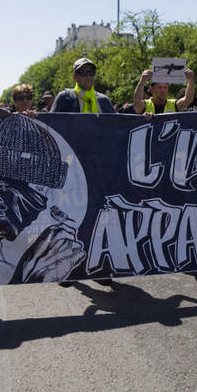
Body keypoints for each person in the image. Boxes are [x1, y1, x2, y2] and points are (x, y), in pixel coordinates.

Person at [50, 58, 113, 286]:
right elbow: (52, 127)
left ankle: (98, 268)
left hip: (97, 169)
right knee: (70, 220)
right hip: (71, 171)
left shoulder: (103, 101)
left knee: (97, 219)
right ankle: (67, 269)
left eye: (91, 72)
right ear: (74, 76)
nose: (88, 76)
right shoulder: (65, 97)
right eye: (83, 72)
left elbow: (118, 128)